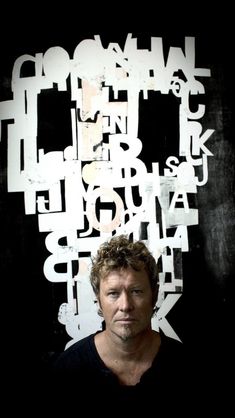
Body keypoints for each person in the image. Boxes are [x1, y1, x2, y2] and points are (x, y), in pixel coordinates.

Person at [50, 234, 185, 412]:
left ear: (154, 294)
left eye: (136, 291)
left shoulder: (185, 366)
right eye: (113, 293)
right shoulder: (67, 370)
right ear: (98, 299)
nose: (125, 306)